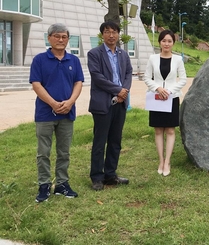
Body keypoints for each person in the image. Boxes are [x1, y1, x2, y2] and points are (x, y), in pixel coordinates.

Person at [29, 23, 84, 202]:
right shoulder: (39, 60)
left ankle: (62, 184)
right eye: (57, 36)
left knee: (64, 151)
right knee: (43, 152)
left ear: (68, 39)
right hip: (45, 114)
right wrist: (52, 103)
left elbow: (78, 83)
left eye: (64, 37)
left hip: (67, 113)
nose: (61, 40)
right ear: (49, 38)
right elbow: (36, 84)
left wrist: (70, 102)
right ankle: (44, 185)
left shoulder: (73, 60)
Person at [87, 21, 133, 191]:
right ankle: (97, 177)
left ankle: (110, 175)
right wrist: (118, 90)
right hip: (103, 104)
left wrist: (124, 91)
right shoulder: (94, 54)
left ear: (118, 34)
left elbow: (128, 73)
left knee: (115, 140)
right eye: (107, 32)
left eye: (114, 32)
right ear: (102, 34)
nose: (111, 35)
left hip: (120, 104)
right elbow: (97, 78)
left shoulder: (123, 54)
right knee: (100, 142)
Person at [145, 29, 187, 176]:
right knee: (158, 130)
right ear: (159, 42)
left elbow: (183, 79)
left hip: (171, 97)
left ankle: (168, 161)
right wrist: (157, 88)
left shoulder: (178, 60)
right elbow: (146, 77)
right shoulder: (152, 58)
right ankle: (161, 160)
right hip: (156, 97)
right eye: (164, 41)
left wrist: (168, 90)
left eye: (169, 41)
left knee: (170, 130)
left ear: (173, 43)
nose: (166, 44)